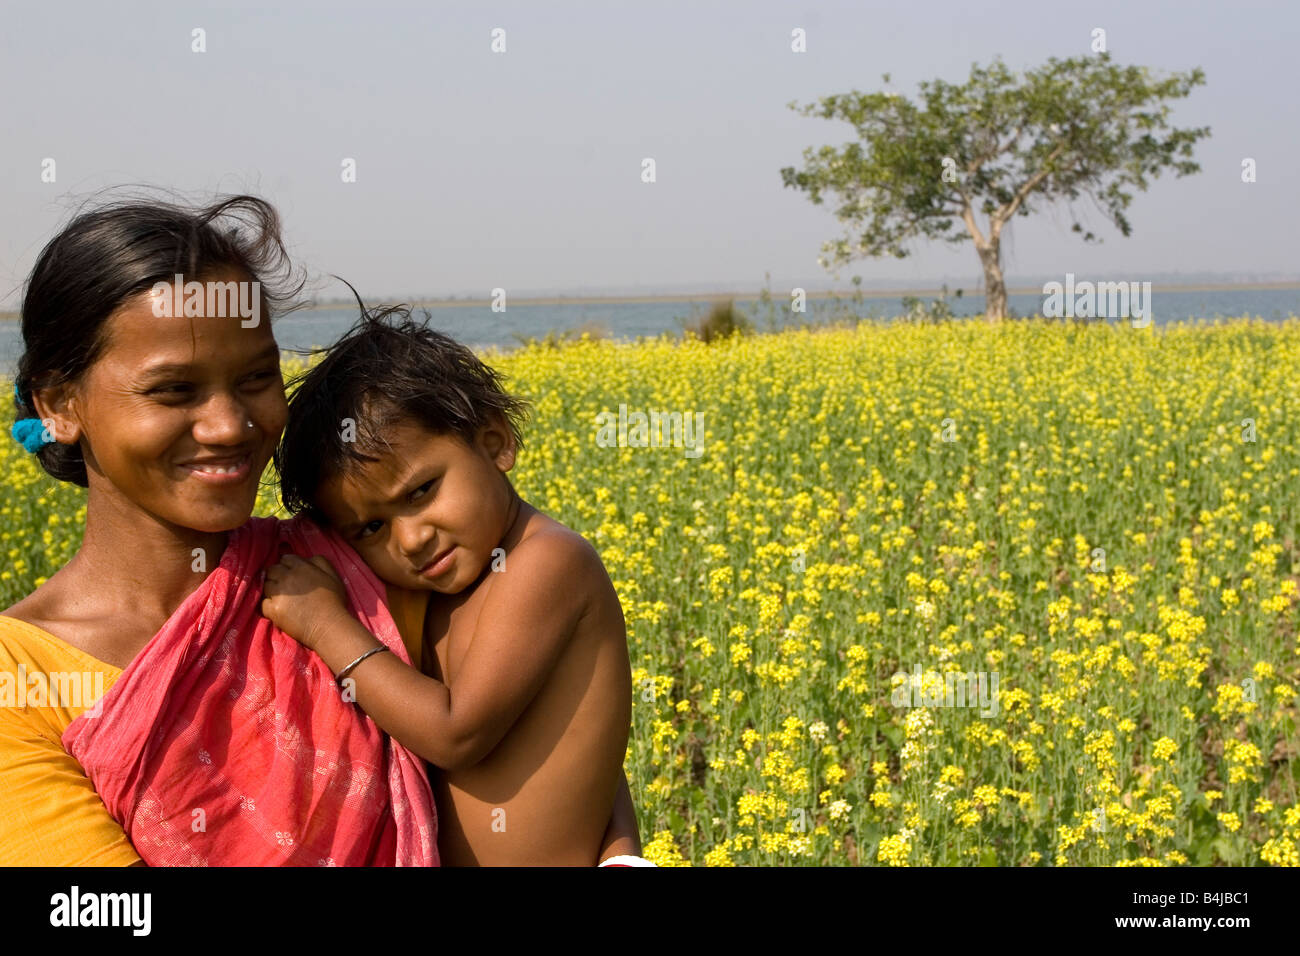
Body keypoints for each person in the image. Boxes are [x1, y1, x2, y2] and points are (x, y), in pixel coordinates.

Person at [0, 193, 640, 865]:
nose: (229, 426)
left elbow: (554, 718)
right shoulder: (23, 679)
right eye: (173, 391)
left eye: (255, 378)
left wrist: (620, 851)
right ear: (57, 404)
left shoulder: (353, 565)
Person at [263, 308, 640, 866]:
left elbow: (455, 733)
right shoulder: (441, 590)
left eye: (421, 492)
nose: (411, 540)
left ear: (494, 443)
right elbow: (581, 734)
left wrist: (325, 624)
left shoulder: (548, 563)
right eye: (371, 528)